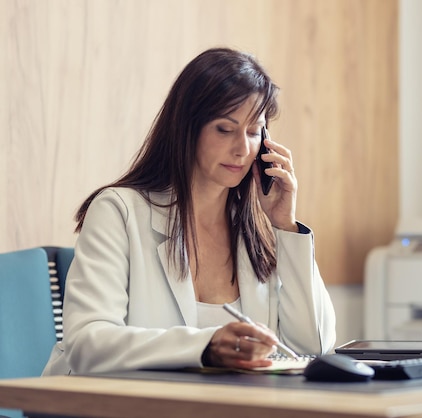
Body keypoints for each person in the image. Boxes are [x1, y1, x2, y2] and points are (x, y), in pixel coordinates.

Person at [43, 47, 336, 375]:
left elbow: (314, 345)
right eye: (225, 129)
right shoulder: (118, 212)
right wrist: (205, 347)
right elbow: (87, 345)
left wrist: (286, 227)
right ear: (187, 128)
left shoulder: (257, 230)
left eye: (254, 132)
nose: (242, 148)